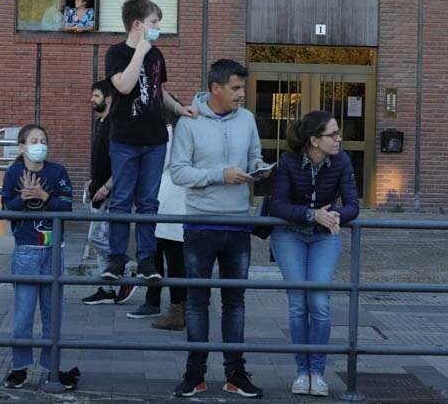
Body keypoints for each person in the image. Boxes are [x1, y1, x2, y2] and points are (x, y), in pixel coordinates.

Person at [170, 59, 267, 398]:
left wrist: (258, 168)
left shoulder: (248, 119)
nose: (241, 95)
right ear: (215, 89)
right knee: (196, 302)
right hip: (200, 223)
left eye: (243, 88)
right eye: (236, 88)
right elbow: (178, 172)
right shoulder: (190, 122)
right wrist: (219, 175)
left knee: (235, 302)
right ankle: (194, 373)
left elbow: (255, 154)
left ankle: (235, 374)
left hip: (239, 224)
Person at [103, 0, 196, 282]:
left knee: (148, 201)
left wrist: (179, 108)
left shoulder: (157, 55)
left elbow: (158, 90)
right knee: (120, 200)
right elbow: (125, 85)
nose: (158, 28)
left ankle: (146, 259)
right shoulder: (117, 53)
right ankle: (117, 258)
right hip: (125, 139)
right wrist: (140, 51)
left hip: (155, 140)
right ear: (138, 24)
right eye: (154, 22)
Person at [269, 110, 360, 398]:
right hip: (289, 235)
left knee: (319, 301)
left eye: (338, 133)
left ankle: (317, 373)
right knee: (298, 301)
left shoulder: (342, 161)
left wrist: (332, 215)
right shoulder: (289, 161)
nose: (339, 139)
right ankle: (302, 372)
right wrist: (311, 215)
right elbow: (278, 205)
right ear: (314, 140)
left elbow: (353, 206)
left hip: (325, 236)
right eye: (333, 134)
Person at [0, 124, 80, 390]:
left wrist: (44, 196)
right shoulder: (13, 173)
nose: (40, 145)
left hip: (54, 250)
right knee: (23, 314)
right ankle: (19, 368)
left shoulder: (58, 172)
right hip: (26, 251)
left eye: (43, 140)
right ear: (22, 147)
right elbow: (6, 207)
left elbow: (67, 206)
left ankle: (50, 368)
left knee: (52, 314)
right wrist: (22, 199)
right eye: (34, 140)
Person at [82, 80, 137, 306]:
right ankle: (107, 288)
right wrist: (92, 181)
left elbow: (124, 162)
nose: (91, 99)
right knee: (100, 239)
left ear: (109, 99)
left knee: (96, 237)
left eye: (96, 95)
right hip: (97, 190)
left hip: (111, 192)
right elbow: (100, 159)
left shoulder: (117, 124)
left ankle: (124, 270)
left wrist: (107, 186)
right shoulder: (99, 123)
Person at [138, 121, 187, 329]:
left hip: (170, 203)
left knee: (174, 261)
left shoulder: (169, 132)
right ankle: (164, 304)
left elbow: (161, 162)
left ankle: (176, 310)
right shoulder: (182, 132)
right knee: (166, 259)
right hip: (171, 202)